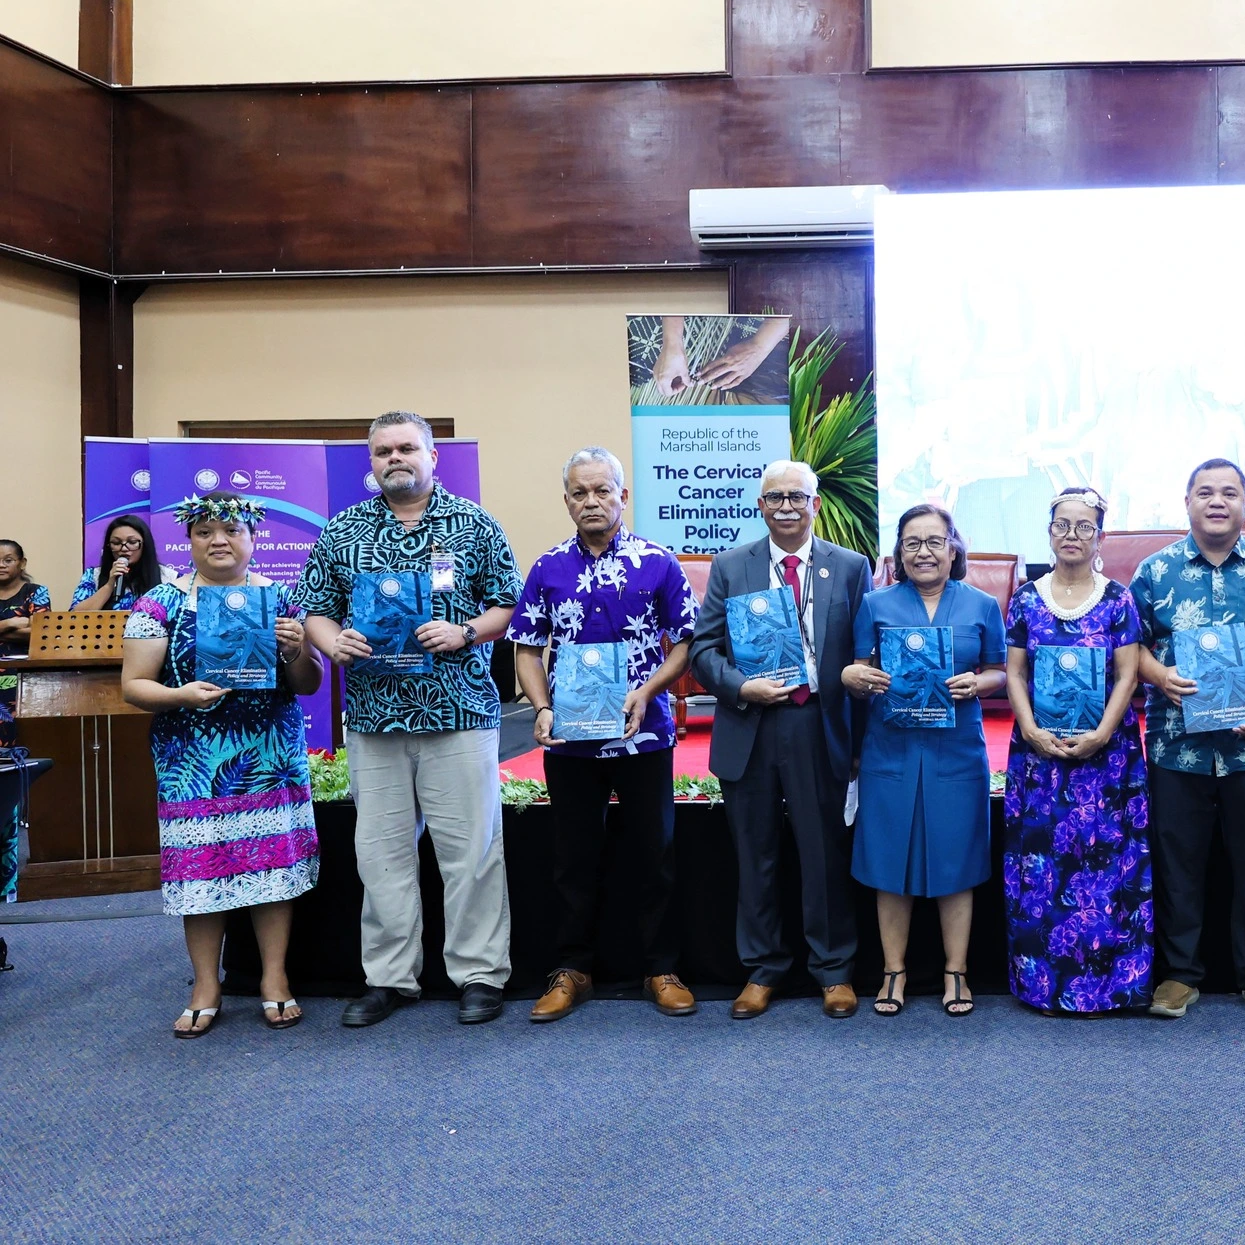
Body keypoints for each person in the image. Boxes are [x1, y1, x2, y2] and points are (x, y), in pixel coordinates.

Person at [297, 411, 521, 1028]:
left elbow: (510, 601)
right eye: (382, 452)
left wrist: (467, 630)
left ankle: (478, 973)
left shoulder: (475, 525)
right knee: (380, 854)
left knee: (471, 851)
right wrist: (331, 639)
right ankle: (389, 978)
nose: (395, 459)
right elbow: (316, 609)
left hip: (459, 712)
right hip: (374, 716)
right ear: (371, 462)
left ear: (432, 456)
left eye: (406, 448)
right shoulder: (342, 531)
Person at [119, 494, 324, 1037]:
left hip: (269, 758)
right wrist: (182, 695)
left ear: (252, 538)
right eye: (205, 531)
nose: (219, 540)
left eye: (231, 529)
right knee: (201, 873)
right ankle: (205, 983)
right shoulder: (159, 603)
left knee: (271, 869)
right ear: (189, 541)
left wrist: (296, 650)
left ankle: (274, 979)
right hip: (193, 759)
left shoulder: (279, 598)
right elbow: (133, 686)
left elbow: (308, 685)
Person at [508, 448, 698, 1023]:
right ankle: (572, 970)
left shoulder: (658, 562)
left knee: (655, 852)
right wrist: (540, 707)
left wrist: (647, 692)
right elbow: (526, 649)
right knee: (572, 857)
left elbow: (684, 643)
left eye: (601, 490)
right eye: (579, 493)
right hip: (570, 740)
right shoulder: (547, 567)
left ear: (622, 495)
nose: (591, 501)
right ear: (566, 500)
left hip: (644, 735)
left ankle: (661, 968)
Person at [1130, 458, 1245, 1021]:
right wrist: (1160, 676)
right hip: (1174, 743)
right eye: (1205, 492)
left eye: (1229, 493)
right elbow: (1127, 647)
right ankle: (1179, 975)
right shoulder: (1153, 572)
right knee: (1178, 862)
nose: (1217, 501)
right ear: (1187, 502)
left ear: (1244, 503)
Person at [689, 460, 872, 1020]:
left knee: (822, 852)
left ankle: (833, 970)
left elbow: (867, 646)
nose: (787, 506)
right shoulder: (729, 566)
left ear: (815, 504)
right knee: (756, 852)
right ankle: (763, 968)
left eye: (798, 496)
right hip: (751, 725)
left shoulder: (849, 566)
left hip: (818, 723)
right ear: (760, 506)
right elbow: (702, 651)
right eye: (775, 497)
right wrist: (741, 685)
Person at [844, 505, 1007, 1017]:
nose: (924, 552)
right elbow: (858, 668)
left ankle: (955, 972)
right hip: (891, 749)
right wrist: (855, 677)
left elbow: (1000, 671)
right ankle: (894, 971)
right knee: (890, 859)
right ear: (898, 552)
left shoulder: (982, 605)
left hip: (956, 750)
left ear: (954, 548)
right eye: (912, 543)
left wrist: (978, 683)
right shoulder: (875, 603)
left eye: (934, 541)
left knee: (956, 860)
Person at [1000, 487, 1151, 1015]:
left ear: (1100, 536)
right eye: (1062, 526)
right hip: (1038, 756)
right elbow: (1015, 672)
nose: (1071, 535)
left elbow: (1128, 673)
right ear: (1049, 533)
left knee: (1107, 867)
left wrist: (1104, 732)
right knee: (1043, 865)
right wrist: (1030, 729)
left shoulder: (1117, 599)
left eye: (1084, 527)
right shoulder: (1025, 597)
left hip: (1106, 757)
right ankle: (1042, 985)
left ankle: (1111, 986)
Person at [0, 539, 51, 902]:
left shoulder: (37, 591)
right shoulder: (23, 604)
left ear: (22, 562)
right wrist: (13, 622)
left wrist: (15, 626)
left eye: (9, 559)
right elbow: (24, 626)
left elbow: (41, 631)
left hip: (22, 690)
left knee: (12, 773)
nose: (2, 565)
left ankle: (7, 880)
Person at [73, 514, 174, 612]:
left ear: (145, 544)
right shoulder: (93, 575)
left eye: (132, 542)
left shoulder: (169, 578)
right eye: (116, 543)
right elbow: (74, 619)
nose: (124, 549)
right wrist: (109, 585)